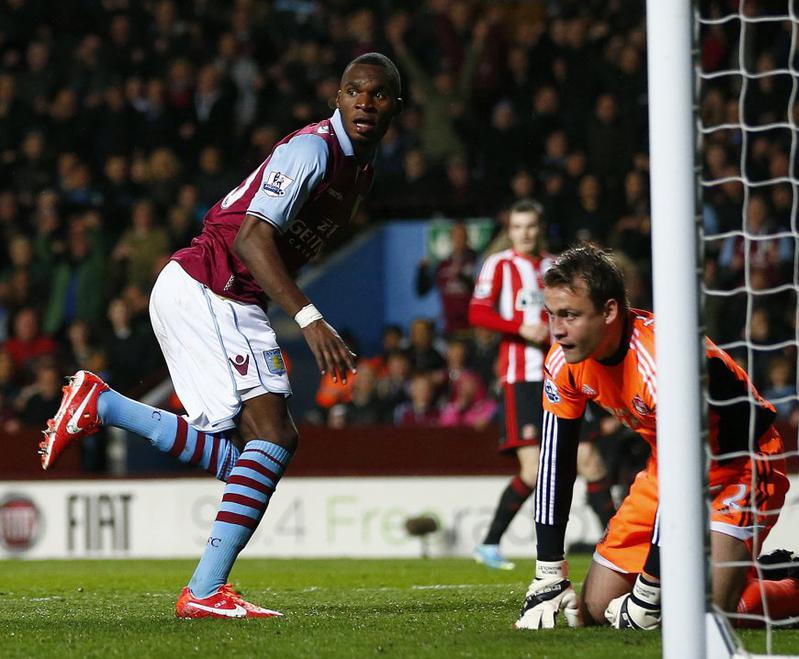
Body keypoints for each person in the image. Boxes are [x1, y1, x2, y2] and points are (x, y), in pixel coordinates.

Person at [38, 53, 403, 619]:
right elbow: (252, 239)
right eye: (354, 90)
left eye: (378, 94)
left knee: (252, 459)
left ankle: (105, 405)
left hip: (222, 294)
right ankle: (204, 591)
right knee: (274, 438)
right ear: (337, 95)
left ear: (395, 106)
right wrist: (309, 318)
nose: (364, 101)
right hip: (214, 287)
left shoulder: (360, 169)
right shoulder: (312, 151)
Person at [514, 244, 799, 630]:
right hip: (668, 467)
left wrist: (649, 588)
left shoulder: (662, 361)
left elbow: (687, 475)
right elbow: (555, 460)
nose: (557, 329)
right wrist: (548, 572)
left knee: (700, 612)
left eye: (570, 315)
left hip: (741, 464)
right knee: (596, 608)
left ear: (610, 311)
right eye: (552, 315)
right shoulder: (563, 359)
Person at [468, 201, 614, 571]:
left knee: (590, 459)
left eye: (531, 226)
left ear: (540, 227)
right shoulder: (499, 264)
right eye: (518, 227)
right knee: (532, 471)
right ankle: (488, 544)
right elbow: (476, 312)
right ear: (511, 230)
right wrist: (519, 327)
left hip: (565, 372)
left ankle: (615, 543)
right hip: (522, 377)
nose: (526, 233)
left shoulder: (557, 267)